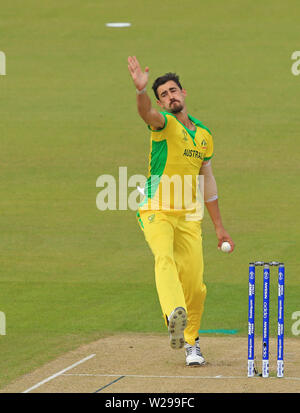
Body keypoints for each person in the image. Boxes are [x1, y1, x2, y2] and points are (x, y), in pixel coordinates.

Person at [128, 56, 235, 366]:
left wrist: (219, 227)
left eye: (173, 91)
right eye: (163, 94)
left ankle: (191, 342)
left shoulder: (204, 135)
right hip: (156, 209)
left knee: (196, 286)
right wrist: (141, 91)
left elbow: (209, 181)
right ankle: (175, 315)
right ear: (160, 101)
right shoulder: (163, 123)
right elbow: (145, 112)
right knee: (164, 258)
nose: (169, 97)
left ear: (183, 92)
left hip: (188, 216)